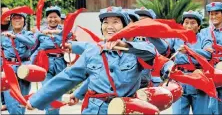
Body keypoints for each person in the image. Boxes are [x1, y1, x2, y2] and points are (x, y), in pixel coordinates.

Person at [26, 6, 174, 114]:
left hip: (126, 108)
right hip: (95, 109)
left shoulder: (136, 49)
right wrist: (36, 100)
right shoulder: (92, 51)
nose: (109, 27)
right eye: (105, 22)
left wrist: (124, 45)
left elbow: (151, 54)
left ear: (125, 26)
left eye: (115, 22)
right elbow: (67, 78)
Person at [30, 6, 71, 115]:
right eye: (50, 17)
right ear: (46, 18)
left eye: (55, 17)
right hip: (45, 64)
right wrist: (30, 65)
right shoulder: (40, 31)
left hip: (60, 64)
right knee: (48, 91)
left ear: (59, 17)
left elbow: (73, 44)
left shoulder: (66, 30)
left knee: (57, 91)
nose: (53, 19)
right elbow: (33, 48)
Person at [1, 12, 35, 114]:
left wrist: (15, 36)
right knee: (11, 101)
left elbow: (31, 43)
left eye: (20, 18)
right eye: (14, 18)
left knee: (21, 102)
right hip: (8, 70)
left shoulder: (28, 34)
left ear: (24, 21)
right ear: (11, 21)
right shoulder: (3, 36)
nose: (17, 20)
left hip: (24, 70)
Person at [1, 3, 10, 111]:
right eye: (5, 13)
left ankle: (7, 102)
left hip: (9, 58)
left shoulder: (14, 25)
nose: (8, 15)